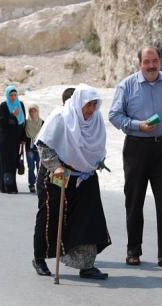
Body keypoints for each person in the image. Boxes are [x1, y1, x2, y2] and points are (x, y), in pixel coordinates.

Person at [109, 46, 162, 267]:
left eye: (155, 61)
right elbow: (114, 115)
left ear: (160, 61)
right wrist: (137, 126)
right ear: (139, 63)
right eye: (147, 62)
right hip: (136, 149)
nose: (151, 66)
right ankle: (133, 251)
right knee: (134, 202)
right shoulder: (126, 85)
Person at [32, 85, 111, 279]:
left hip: (85, 175)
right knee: (51, 216)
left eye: (94, 104)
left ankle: (86, 265)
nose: (91, 109)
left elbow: (95, 146)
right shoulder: (61, 117)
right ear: (78, 103)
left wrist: (98, 161)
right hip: (57, 174)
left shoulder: (96, 120)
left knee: (88, 219)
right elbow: (44, 145)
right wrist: (56, 166)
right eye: (88, 105)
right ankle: (40, 258)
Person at [0, 85, 26, 194]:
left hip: (16, 140)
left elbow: (23, 123)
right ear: (7, 96)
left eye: (15, 95)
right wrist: (12, 115)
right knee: (5, 163)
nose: (13, 97)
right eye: (11, 95)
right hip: (5, 140)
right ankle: (5, 187)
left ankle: (12, 186)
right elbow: (2, 123)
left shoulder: (20, 105)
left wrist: (23, 138)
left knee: (13, 163)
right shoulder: (3, 106)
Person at [24, 104, 43, 193]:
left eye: (34, 111)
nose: (32, 113)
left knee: (39, 168)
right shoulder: (26, 122)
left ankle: (39, 184)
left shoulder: (42, 122)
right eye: (30, 111)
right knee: (31, 168)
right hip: (29, 148)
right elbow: (23, 135)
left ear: (37, 111)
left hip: (39, 148)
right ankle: (31, 185)